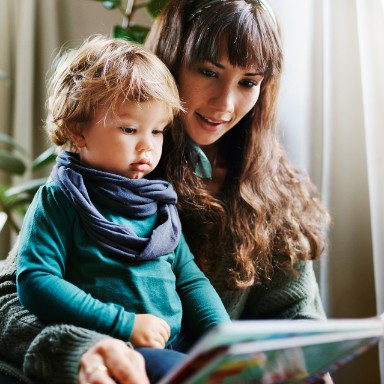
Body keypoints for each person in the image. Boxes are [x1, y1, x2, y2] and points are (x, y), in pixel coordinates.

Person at [0, 1, 332, 383]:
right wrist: (82, 348)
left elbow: (296, 316)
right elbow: (13, 294)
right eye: (208, 71)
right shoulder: (102, 165)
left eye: (248, 82)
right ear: (173, 60)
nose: (225, 104)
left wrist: (309, 364)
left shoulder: (275, 191)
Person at [14, 34, 230, 384]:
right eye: (130, 129)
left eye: (158, 131)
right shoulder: (60, 199)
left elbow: (190, 281)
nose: (148, 145)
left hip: (177, 346)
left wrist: (223, 338)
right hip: (115, 351)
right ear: (77, 130)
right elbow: (36, 281)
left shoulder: (159, 203)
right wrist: (123, 323)